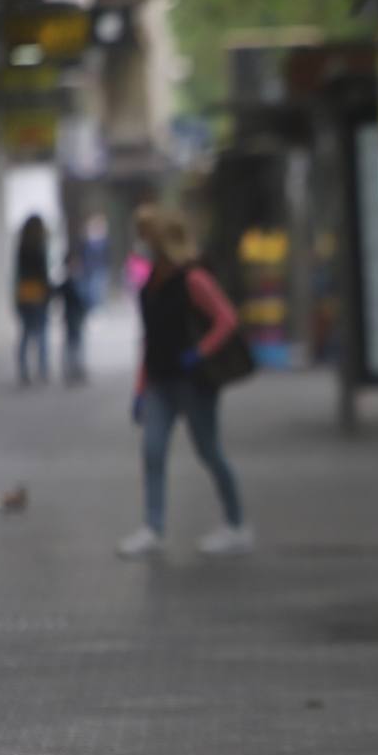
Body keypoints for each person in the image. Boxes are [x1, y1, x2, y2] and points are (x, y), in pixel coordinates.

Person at [117, 206, 252, 559]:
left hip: (194, 382)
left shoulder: (193, 280)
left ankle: (236, 525)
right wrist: (139, 388)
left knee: (209, 452)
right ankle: (153, 528)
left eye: (146, 236)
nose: (142, 243)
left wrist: (200, 351)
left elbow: (227, 318)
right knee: (152, 451)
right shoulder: (150, 284)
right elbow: (149, 340)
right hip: (160, 382)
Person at [13, 215, 51, 386]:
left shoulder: (22, 246)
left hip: (24, 293)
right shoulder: (39, 247)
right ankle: (42, 369)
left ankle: (23, 370)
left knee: (26, 334)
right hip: (37, 293)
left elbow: (17, 274)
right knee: (41, 333)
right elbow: (43, 274)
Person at [57, 249, 89, 384]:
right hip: (72, 316)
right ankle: (72, 370)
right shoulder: (70, 281)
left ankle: (75, 369)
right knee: (73, 344)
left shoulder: (77, 279)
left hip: (75, 315)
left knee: (76, 343)